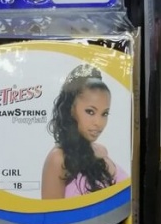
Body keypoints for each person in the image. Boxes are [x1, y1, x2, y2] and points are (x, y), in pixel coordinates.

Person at [41, 64, 128, 199]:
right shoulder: (58, 159)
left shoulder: (101, 151)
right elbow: (51, 212)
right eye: (90, 112)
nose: (98, 122)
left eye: (104, 114)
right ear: (71, 109)